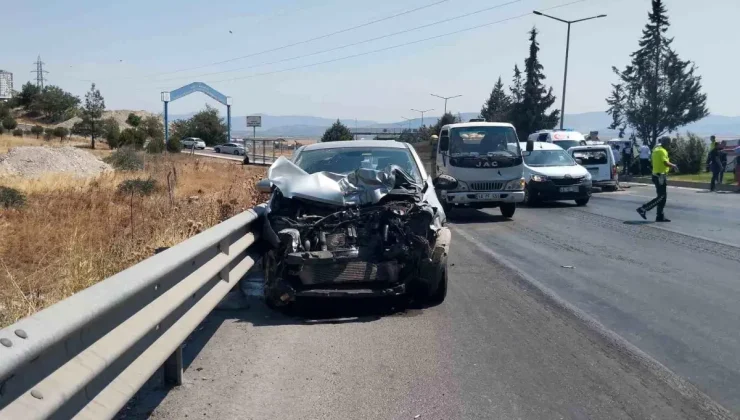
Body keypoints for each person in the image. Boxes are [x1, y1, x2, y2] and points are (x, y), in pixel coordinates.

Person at [637, 137, 678, 222]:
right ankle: (643, 209)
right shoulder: (662, 151)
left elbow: (653, 162)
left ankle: (660, 216)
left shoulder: (655, 150)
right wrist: (674, 166)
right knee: (661, 197)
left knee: (663, 197)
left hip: (656, 175)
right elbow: (665, 162)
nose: (669, 145)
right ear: (666, 143)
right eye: (669, 143)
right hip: (660, 176)